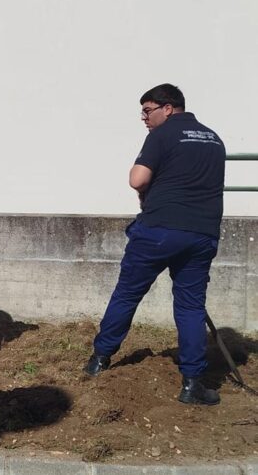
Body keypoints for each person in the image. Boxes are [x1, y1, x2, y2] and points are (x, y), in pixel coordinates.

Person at [84, 84, 226, 406]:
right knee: (190, 306)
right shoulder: (215, 140)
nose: (144, 118)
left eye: (147, 111)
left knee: (127, 293)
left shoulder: (163, 134)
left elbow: (137, 179)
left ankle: (99, 360)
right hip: (202, 234)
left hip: (159, 230)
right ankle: (192, 384)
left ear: (168, 108)